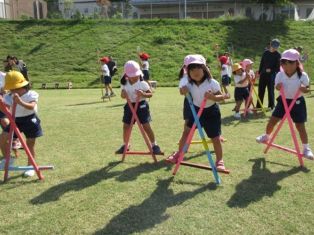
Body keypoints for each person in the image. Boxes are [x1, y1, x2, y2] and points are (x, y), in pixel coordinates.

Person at [166, 55, 229, 170]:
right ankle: (179, 153)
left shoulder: (212, 82)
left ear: (204, 69)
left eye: (198, 68)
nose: (195, 72)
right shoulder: (189, 83)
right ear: (188, 72)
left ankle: (219, 161)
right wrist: (182, 91)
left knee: (215, 137)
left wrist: (212, 97)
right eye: (191, 69)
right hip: (195, 111)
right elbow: (182, 91)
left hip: (211, 112)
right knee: (186, 132)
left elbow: (222, 98)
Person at [256, 49, 313, 159]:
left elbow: (307, 89)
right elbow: (277, 86)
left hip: (298, 102)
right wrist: (278, 87)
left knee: (300, 126)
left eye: (291, 62)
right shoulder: (280, 75)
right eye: (284, 62)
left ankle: (306, 148)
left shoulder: (303, 75)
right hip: (283, 101)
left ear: (297, 63)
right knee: (272, 121)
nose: (287, 65)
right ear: (282, 63)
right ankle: (266, 136)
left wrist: (304, 89)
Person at [0, 71, 43, 176]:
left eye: (12, 88)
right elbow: (5, 109)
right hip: (16, 121)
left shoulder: (31, 94)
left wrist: (20, 102)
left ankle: (30, 167)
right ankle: (7, 160)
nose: (10, 91)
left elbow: (32, 106)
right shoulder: (10, 96)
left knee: (30, 144)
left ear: (20, 86)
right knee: (3, 138)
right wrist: (1, 103)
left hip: (30, 120)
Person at [115, 60, 162, 154]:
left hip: (141, 105)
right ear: (127, 76)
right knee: (126, 126)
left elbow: (150, 94)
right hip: (129, 106)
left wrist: (143, 94)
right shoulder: (124, 84)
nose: (135, 77)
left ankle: (154, 145)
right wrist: (123, 95)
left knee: (146, 126)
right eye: (133, 76)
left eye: (137, 75)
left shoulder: (142, 83)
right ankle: (126, 144)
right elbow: (122, 96)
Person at [256, 39, 281, 110]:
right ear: (270, 45)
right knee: (261, 90)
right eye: (274, 46)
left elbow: (278, 68)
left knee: (270, 91)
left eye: (276, 47)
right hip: (263, 74)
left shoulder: (278, 55)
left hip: (271, 75)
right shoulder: (265, 53)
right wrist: (259, 72)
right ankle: (259, 106)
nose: (275, 48)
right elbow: (262, 63)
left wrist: (271, 70)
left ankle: (271, 106)